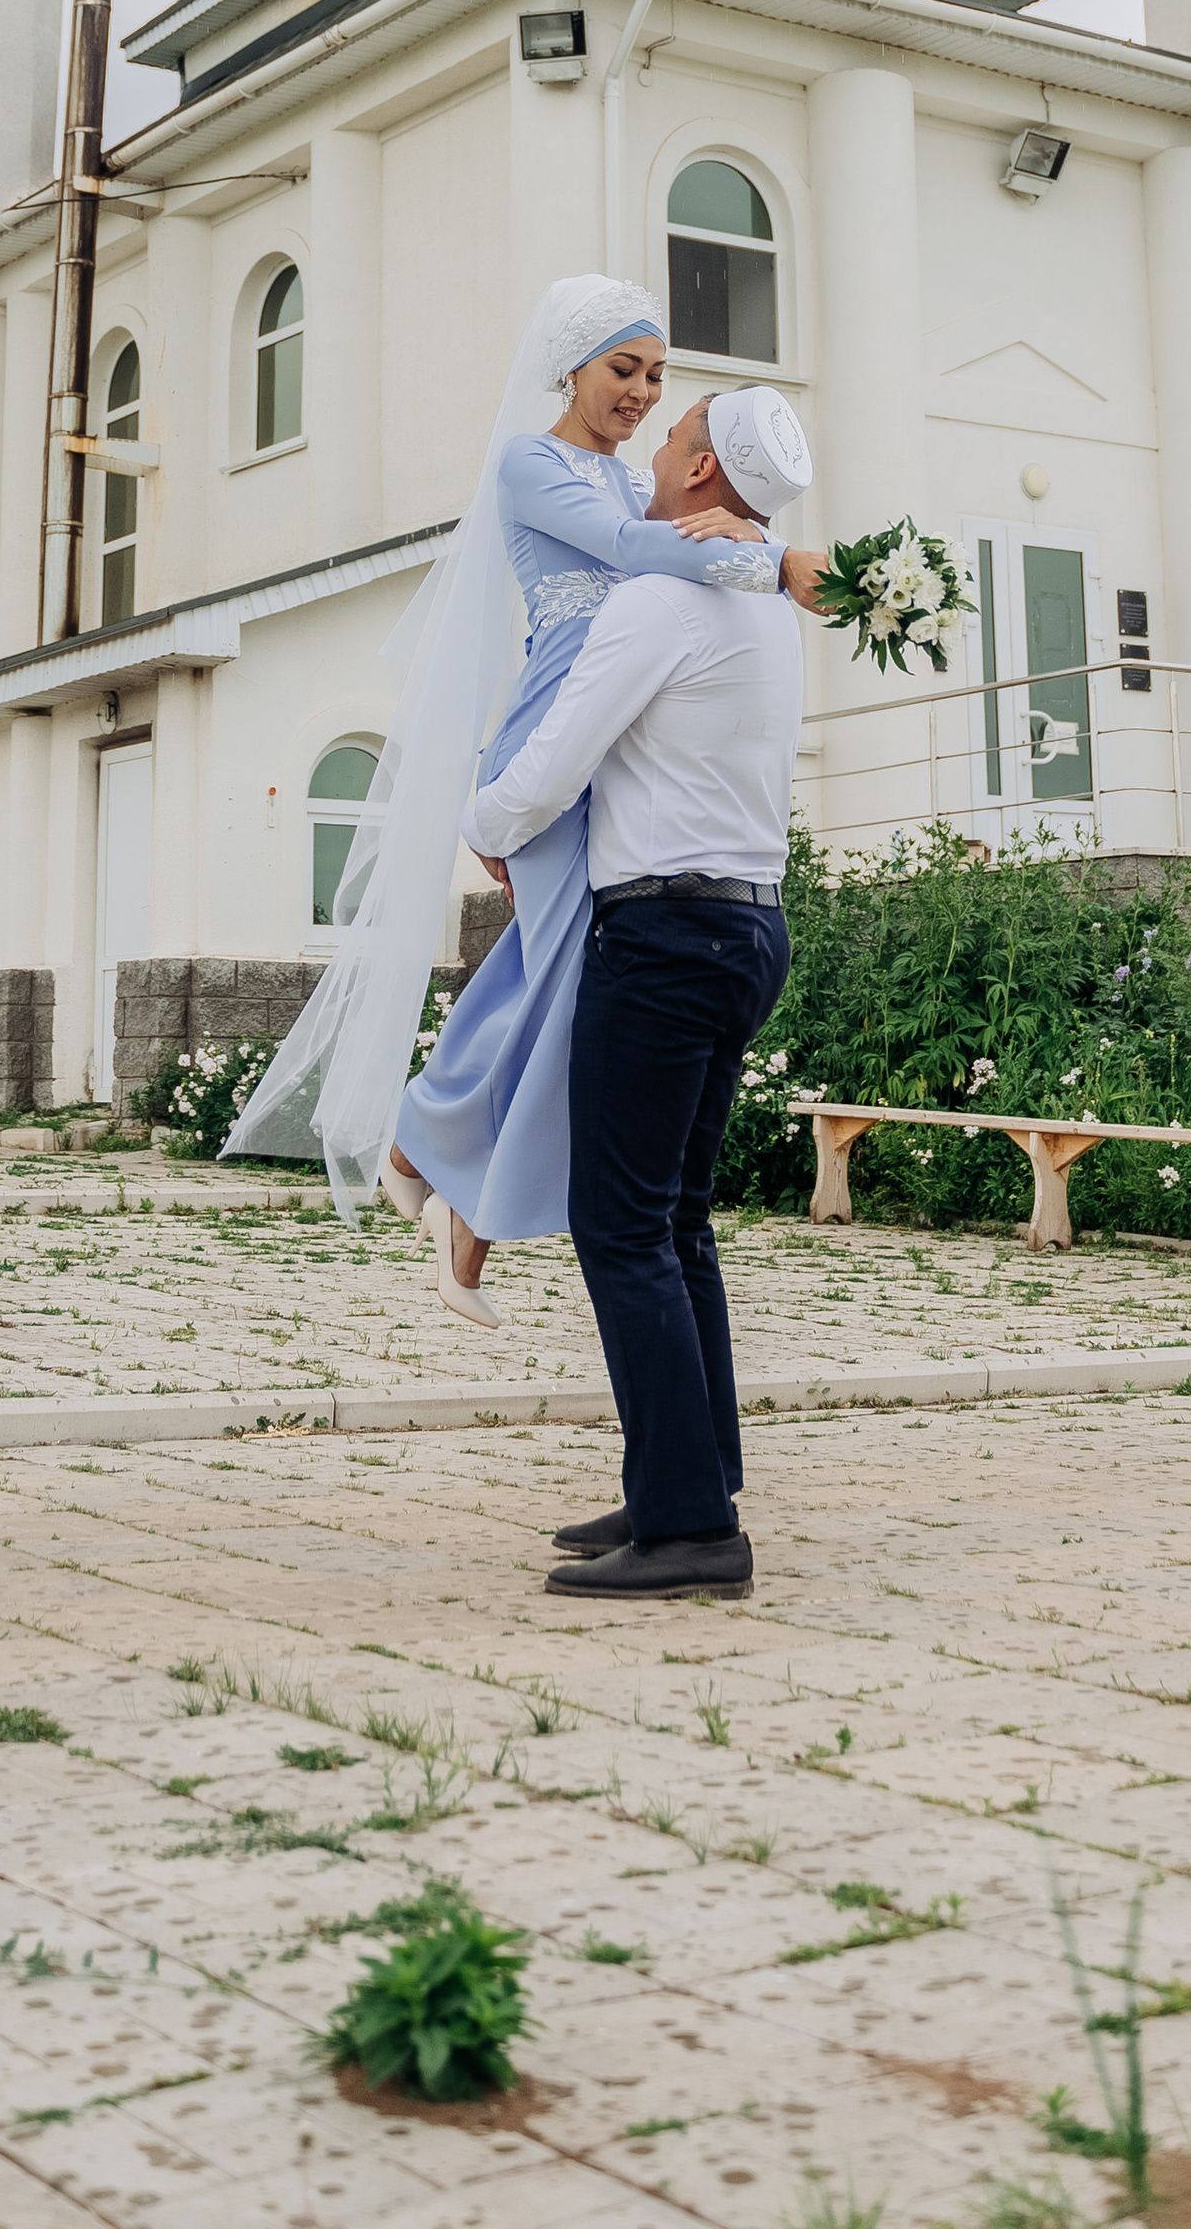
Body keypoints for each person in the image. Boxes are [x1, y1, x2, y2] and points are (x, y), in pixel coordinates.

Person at [221, 280, 823, 1295]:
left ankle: (442, 1170)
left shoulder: (635, 480)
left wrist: (754, 544)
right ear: (571, 368)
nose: (642, 393)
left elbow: (672, 562)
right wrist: (776, 561)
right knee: (564, 982)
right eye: (624, 369)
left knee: (558, 977)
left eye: (657, 376)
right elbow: (634, 552)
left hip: (604, 757)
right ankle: (451, 1184)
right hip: (544, 749)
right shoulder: (529, 464)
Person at [460, 384, 814, 1602]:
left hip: (662, 934)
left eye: (674, 433)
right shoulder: (766, 608)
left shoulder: (658, 601)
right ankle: (687, 1479)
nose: (655, 444)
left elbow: (555, 760)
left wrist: (482, 824)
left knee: (621, 1224)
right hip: (748, 924)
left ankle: (691, 1531)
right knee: (676, 1219)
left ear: (703, 471)